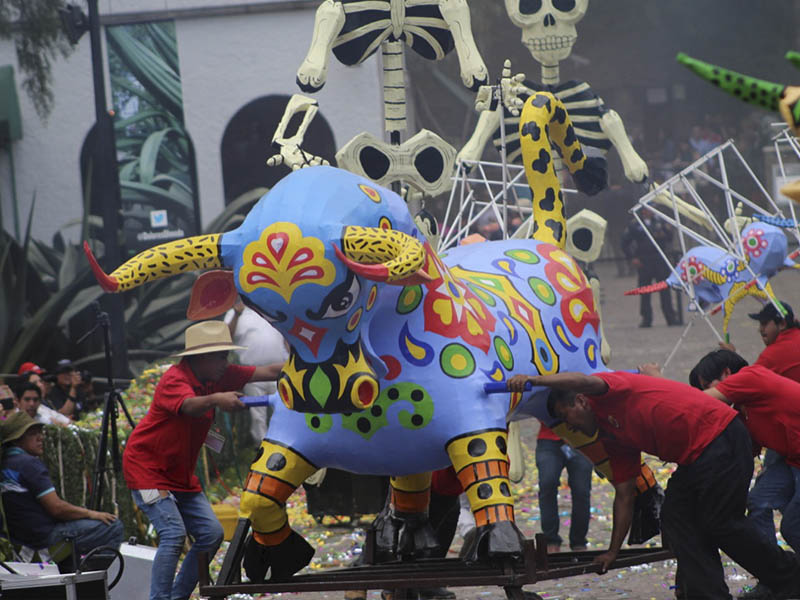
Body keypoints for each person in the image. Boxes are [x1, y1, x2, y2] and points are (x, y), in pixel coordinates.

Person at [507, 370, 800, 599]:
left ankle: (789, 577)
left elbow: (582, 379)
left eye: (564, 415)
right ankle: (707, 594)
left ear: (581, 400)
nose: (568, 427)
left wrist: (534, 380)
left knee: (721, 522)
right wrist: (612, 551)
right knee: (675, 518)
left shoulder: (608, 390)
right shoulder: (611, 437)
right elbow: (624, 494)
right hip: (696, 458)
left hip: (721, 435)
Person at [123, 320, 284, 600]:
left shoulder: (218, 376)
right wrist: (216, 399)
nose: (226, 361)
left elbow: (268, 371)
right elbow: (188, 405)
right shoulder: (175, 379)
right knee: (173, 535)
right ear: (201, 357)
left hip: (181, 476)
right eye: (221, 355)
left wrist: (311, 359)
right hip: (146, 469)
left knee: (211, 534)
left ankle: (178, 596)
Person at [690, 349, 800, 600]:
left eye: (709, 385)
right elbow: (739, 454)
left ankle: (793, 578)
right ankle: (774, 577)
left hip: (793, 455)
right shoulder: (743, 409)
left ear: (727, 374)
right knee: (758, 502)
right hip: (789, 457)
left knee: (793, 525)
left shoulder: (750, 376)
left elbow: (702, 402)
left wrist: (660, 384)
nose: (711, 393)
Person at [0, 411, 123, 560]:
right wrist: (92, 514)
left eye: (40, 432)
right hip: (43, 538)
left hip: (19, 537)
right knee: (113, 527)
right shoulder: (28, 464)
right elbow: (57, 509)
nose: (40, 438)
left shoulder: (5, 463)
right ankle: (97, 580)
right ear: (16, 439)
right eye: (32, 434)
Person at [225, 299, 289, 443]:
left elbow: (286, 334)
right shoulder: (235, 313)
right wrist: (236, 313)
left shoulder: (271, 308)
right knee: (258, 415)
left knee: (284, 410)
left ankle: (286, 444)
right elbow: (226, 338)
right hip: (253, 374)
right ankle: (262, 447)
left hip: (280, 370)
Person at [534, 422, 592, 553]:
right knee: (547, 484)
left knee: (581, 490)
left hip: (581, 439)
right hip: (549, 439)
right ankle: (551, 540)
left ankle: (579, 541)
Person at [621, 209, 679, 328]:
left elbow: (670, 237)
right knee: (645, 291)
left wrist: (665, 233)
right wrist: (632, 258)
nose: (651, 211)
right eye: (648, 209)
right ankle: (646, 318)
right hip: (644, 261)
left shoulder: (659, 222)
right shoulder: (635, 224)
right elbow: (625, 242)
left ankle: (670, 317)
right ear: (643, 211)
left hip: (659, 259)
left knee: (665, 290)